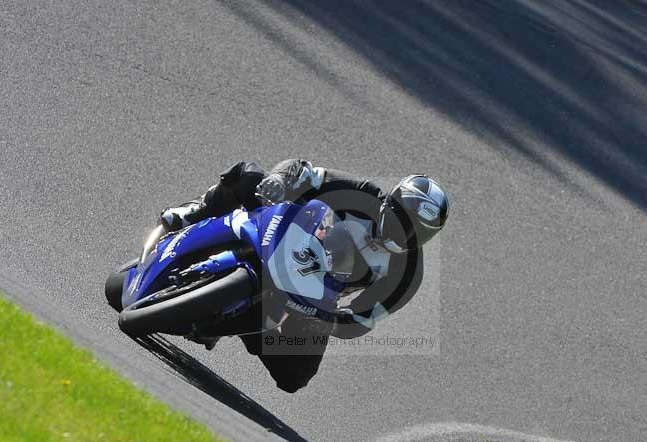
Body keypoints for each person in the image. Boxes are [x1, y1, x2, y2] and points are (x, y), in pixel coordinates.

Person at [160, 159, 450, 392]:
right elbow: (303, 171)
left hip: (313, 295)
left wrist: (331, 322)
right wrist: (278, 179)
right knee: (249, 176)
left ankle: (244, 324)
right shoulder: (361, 193)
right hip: (284, 237)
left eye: (419, 231)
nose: (406, 232)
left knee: (295, 377)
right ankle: (194, 212)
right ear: (391, 201)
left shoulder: (407, 275)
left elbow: (364, 319)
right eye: (403, 218)